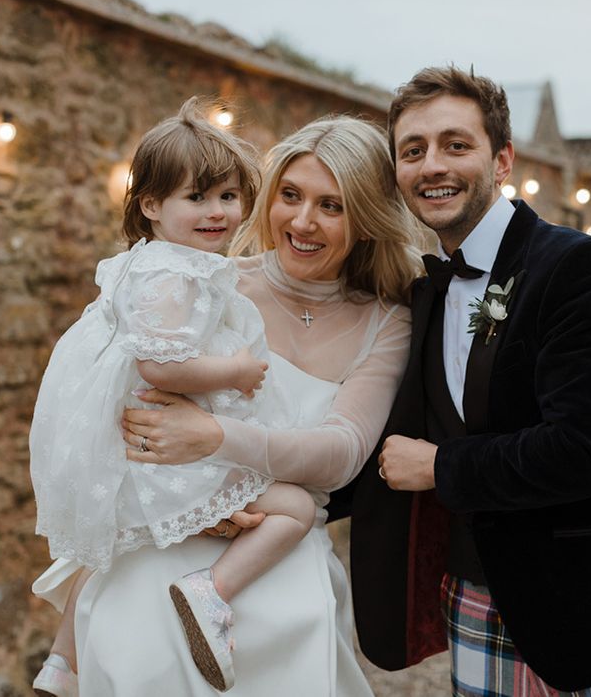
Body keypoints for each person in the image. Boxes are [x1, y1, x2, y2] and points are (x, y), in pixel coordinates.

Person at [32, 112, 423, 696]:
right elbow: (119, 399)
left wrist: (213, 439)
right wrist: (190, 502)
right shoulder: (208, 281)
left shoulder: (387, 322)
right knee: (141, 643)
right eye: (289, 195)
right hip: (169, 532)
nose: (303, 221)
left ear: (366, 219)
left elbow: (341, 454)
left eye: (332, 206)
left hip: (280, 550)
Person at [348, 65, 591, 695]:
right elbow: (387, 434)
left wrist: (441, 470)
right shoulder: (425, 291)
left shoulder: (583, 268)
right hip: (474, 599)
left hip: (590, 609)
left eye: (456, 145)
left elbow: (584, 452)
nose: (432, 165)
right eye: (413, 151)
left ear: (502, 160)